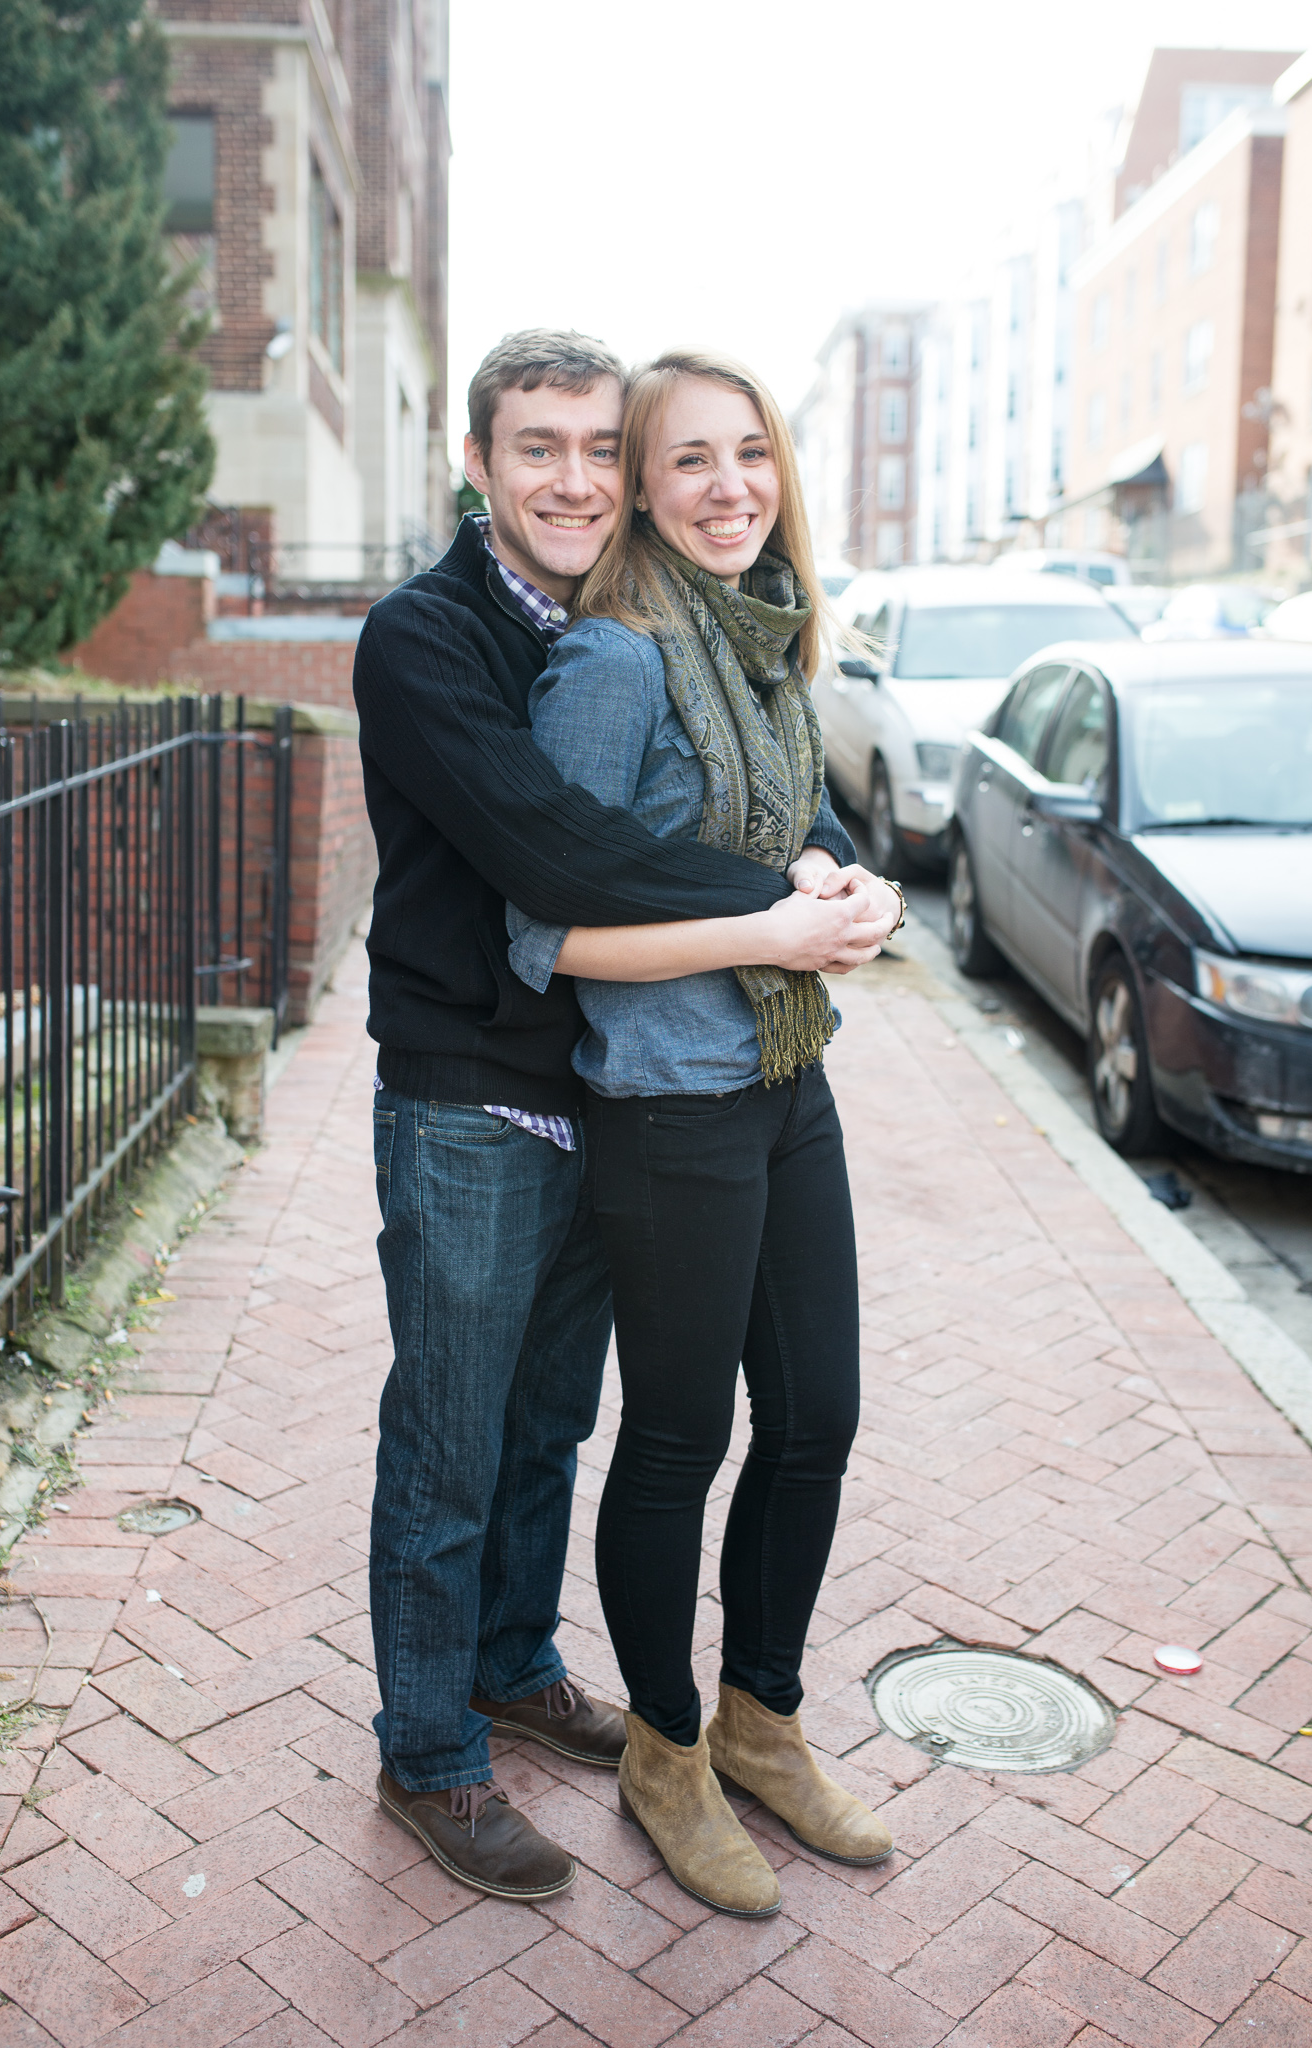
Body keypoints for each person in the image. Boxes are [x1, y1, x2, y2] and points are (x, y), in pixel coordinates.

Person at [352, 330, 882, 1905]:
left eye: (598, 447)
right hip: (471, 1091)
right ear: (479, 465)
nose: (574, 478)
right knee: (451, 1435)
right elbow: (558, 853)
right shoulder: (429, 638)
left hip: (593, 1078)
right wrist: (778, 908)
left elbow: (748, 782)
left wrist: (829, 865)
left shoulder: (615, 613)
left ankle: (515, 1662)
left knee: (549, 1420)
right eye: (540, 450)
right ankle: (430, 1749)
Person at [506, 349, 904, 1918]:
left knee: (818, 1417)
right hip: (666, 1108)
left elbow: (784, 833)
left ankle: (764, 1723)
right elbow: (551, 930)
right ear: (646, 492)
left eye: (753, 454)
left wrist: (845, 887)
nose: (730, 485)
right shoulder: (613, 662)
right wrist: (769, 932)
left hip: (785, 1081)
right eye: (690, 460)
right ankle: (663, 1751)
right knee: (679, 1439)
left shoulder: (760, 646)